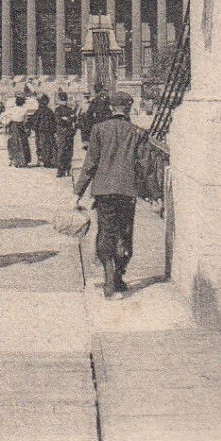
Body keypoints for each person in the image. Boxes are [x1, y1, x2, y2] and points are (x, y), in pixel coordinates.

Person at [73, 91, 149, 300]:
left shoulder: (99, 130)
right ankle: (118, 275)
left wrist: (77, 193)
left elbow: (90, 164)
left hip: (104, 190)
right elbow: (143, 167)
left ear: (110, 108)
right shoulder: (138, 132)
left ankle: (108, 278)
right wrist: (154, 195)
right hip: (127, 190)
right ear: (129, 108)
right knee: (125, 232)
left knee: (106, 231)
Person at [53, 92, 78, 178]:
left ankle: (62, 170)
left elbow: (72, 118)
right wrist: (68, 119)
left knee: (63, 151)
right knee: (67, 151)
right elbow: (60, 120)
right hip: (67, 132)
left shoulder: (59, 110)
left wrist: (66, 119)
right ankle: (64, 169)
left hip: (63, 133)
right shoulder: (68, 110)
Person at [78, 84, 111, 150]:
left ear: (95, 91)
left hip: (98, 123)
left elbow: (89, 115)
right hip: (107, 123)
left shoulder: (95, 100)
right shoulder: (107, 99)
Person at [4, 92, 32, 168]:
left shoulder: (12, 109)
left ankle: (13, 160)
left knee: (13, 143)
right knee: (23, 143)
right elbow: (25, 120)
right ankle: (23, 160)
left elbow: (5, 116)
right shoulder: (24, 110)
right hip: (21, 127)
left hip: (13, 127)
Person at [32, 93, 58, 169]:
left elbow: (35, 122)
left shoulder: (38, 111)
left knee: (40, 146)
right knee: (49, 146)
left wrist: (34, 129)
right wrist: (54, 130)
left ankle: (41, 160)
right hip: (49, 132)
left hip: (40, 132)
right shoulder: (49, 111)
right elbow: (54, 122)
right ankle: (48, 161)